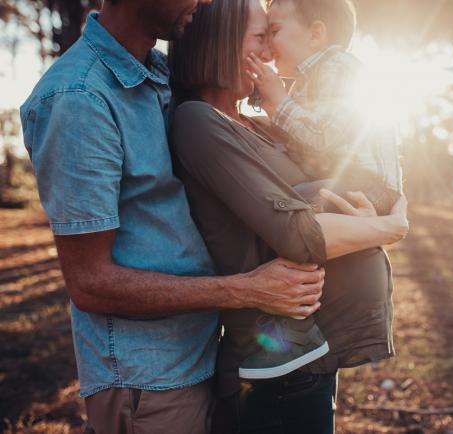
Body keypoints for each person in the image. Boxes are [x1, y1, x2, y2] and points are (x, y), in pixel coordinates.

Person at [19, 0, 353, 432]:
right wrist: (246, 290)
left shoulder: (160, 76)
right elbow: (89, 283)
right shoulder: (77, 99)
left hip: (204, 355)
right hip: (149, 379)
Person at [168, 0, 408, 432]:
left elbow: (332, 166)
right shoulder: (197, 122)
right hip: (272, 369)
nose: (270, 53)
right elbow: (298, 234)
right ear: (221, 44)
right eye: (261, 37)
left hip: (314, 350)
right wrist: (387, 228)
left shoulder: (254, 124)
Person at [248, 0, 403, 216]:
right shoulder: (307, 80)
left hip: (368, 184)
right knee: (285, 201)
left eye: (274, 31)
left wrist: (280, 100)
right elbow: (303, 137)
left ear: (316, 34)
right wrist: (271, 111)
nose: (268, 46)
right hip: (344, 179)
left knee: (284, 205)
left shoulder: (338, 66)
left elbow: (320, 136)